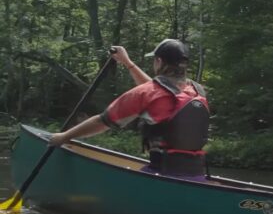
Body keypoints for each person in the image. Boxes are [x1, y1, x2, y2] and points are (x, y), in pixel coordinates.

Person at [49, 39, 211, 180]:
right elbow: (159, 93)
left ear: (159, 62)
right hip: (196, 175)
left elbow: (103, 121)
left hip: (161, 174)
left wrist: (64, 136)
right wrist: (127, 62)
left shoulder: (148, 93)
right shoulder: (196, 91)